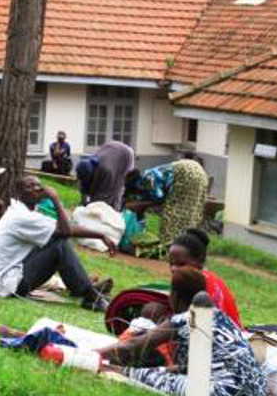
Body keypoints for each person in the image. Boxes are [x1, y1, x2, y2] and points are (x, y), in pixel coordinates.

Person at [97, 267, 267, 396]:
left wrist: (95, 354)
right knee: (164, 372)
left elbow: (133, 346)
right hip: (256, 391)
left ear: (174, 296)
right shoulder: (222, 317)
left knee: (138, 375)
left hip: (218, 391)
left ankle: (110, 370)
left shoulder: (185, 319)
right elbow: (195, 367)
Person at [0, 175, 116, 311]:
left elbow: (60, 229)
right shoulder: (23, 217)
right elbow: (66, 231)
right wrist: (55, 199)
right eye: (29, 186)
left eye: (38, 185)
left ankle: (85, 288)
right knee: (59, 245)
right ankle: (90, 295)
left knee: (54, 240)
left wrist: (101, 235)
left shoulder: (23, 211)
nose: (35, 189)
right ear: (19, 193)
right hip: (6, 283)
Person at [140, 228, 242, 328]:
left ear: (200, 260)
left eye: (181, 264)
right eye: (171, 263)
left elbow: (187, 321)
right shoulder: (208, 278)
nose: (174, 269)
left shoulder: (199, 284)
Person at [125, 158, 209, 245]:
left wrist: (139, 205)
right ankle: (187, 246)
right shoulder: (146, 179)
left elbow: (160, 199)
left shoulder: (147, 180)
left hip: (186, 174)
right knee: (189, 214)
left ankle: (169, 245)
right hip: (199, 173)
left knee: (171, 215)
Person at [77, 141, 134, 210]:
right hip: (110, 148)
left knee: (117, 189)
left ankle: (116, 212)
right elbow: (84, 187)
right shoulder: (85, 165)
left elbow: (103, 197)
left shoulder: (107, 171)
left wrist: (92, 207)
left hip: (126, 155)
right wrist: (84, 202)